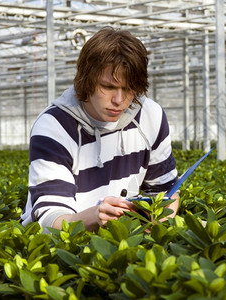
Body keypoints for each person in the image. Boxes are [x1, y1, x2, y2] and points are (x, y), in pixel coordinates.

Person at [20, 27, 179, 232]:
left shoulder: (151, 115)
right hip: (62, 247)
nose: (119, 100)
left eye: (129, 88)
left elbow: (166, 190)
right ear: (86, 80)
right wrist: (95, 217)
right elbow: (50, 219)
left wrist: (159, 226)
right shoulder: (54, 126)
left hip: (121, 238)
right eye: (108, 87)